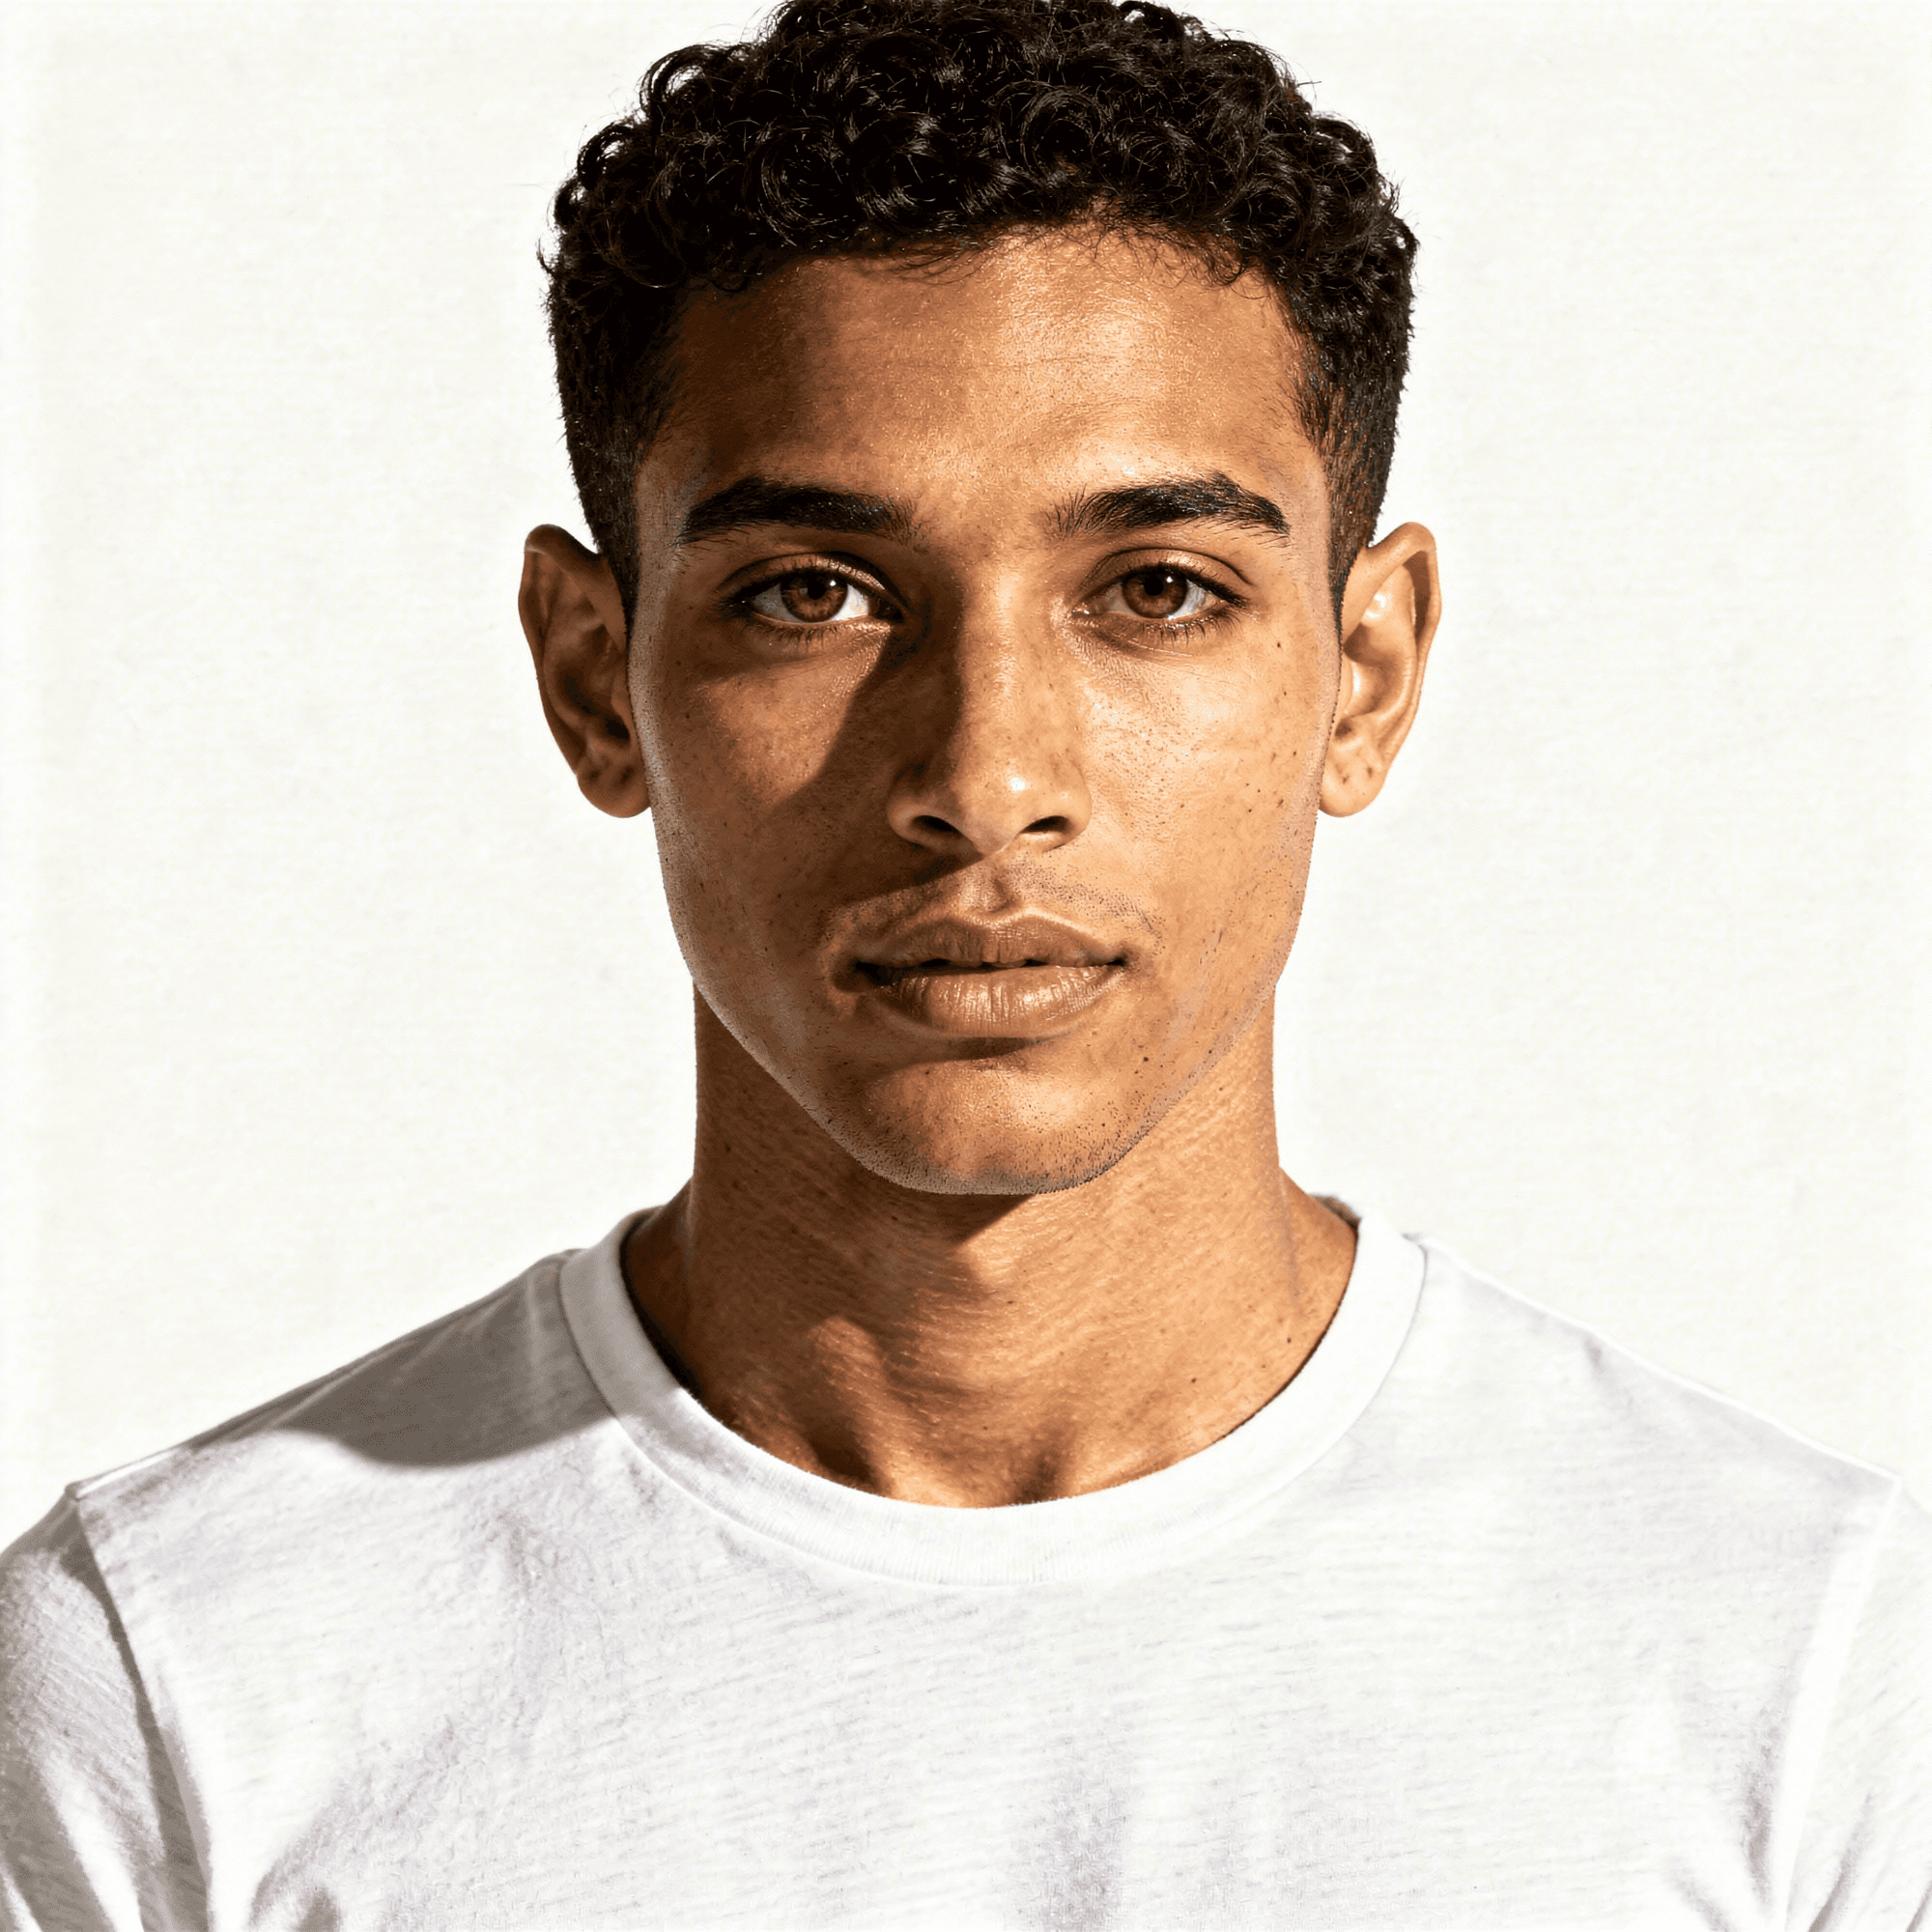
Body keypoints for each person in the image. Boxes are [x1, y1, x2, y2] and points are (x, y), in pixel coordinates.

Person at [3, 0, 1926, 1922]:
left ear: (1365, 671)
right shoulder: (178, 1678)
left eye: (1156, 589)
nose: (987, 777)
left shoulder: (1810, 1674)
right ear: (597, 678)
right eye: (815, 594)